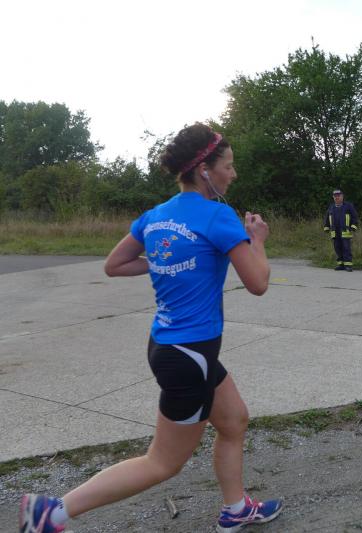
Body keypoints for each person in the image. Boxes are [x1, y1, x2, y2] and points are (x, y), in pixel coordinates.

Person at [19, 123, 282, 533]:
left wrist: (163, 262)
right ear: (205, 170)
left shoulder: (155, 217)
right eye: (228, 166)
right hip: (191, 355)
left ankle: (235, 509)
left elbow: (115, 265)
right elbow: (258, 283)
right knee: (162, 462)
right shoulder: (219, 216)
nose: (233, 174)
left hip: (169, 346)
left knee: (234, 421)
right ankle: (51, 513)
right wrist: (258, 240)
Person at [322, 189, 359, 271]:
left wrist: (353, 226)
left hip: (345, 231)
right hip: (335, 231)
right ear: (333, 197)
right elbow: (327, 218)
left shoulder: (348, 206)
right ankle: (341, 264)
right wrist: (326, 227)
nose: (337, 197)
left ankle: (348, 265)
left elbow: (355, 216)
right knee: (337, 248)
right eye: (335, 196)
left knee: (346, 248)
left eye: (338, 196)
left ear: (342, 196)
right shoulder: (331, 207)